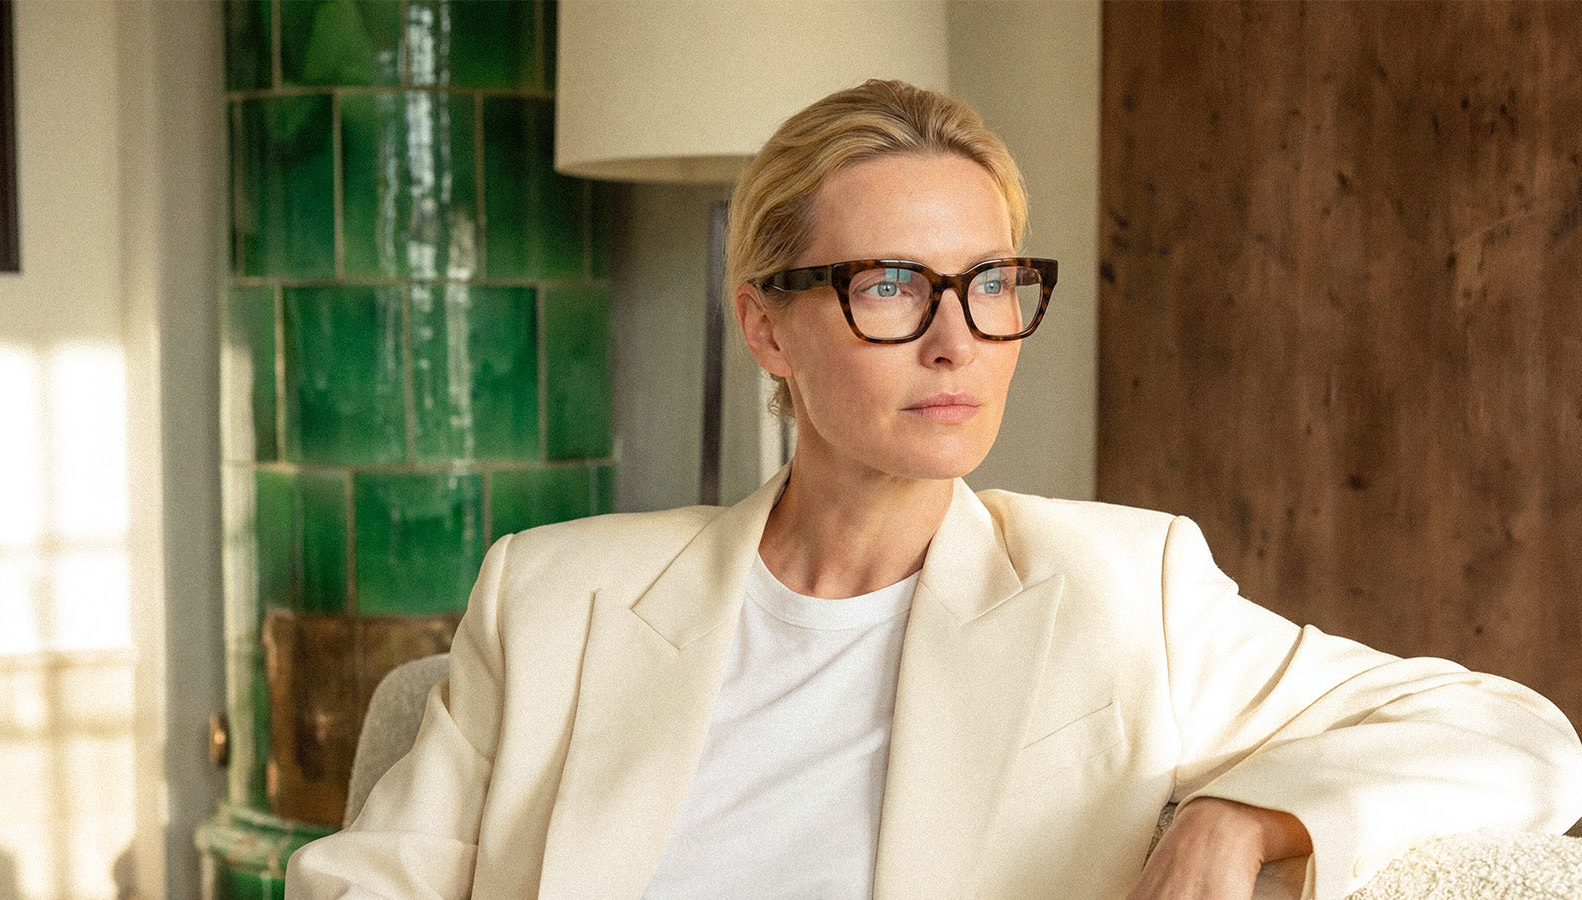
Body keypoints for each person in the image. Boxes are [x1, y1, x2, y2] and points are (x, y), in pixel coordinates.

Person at [287, 80, 1582, 900]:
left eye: (992, 285)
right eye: (893, 286)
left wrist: (1247, 817)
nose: (958, 340)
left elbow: (1520, 738)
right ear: (767, 326)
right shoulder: (556, 592)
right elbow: (371, 883)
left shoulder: (1124, 591)